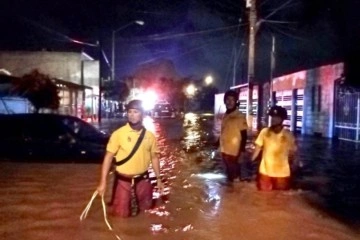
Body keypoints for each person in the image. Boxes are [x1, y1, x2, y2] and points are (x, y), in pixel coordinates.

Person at [96, 99, 164, 217]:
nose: (132, 115)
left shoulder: (150, 136)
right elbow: (108, 158)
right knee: (120, 215)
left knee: (146, 213)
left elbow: (154, 158)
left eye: (136, 112)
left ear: (142, 114)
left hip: (143, 180)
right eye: (130, 112)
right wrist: (103, 182)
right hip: (123, 181)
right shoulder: (118, 134)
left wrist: (159, 179)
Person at [251, 105, 297, 191]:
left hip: (282, 174)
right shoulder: (264, 132)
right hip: (265, 172)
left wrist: (295, 165)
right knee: (263, 199)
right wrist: (250, 161)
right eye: (272, 117)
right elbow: (257, 150)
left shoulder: (288, 135)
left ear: (282, 119)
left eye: (277, 117)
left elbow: (293, 153)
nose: (273, 119)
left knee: (280, 199)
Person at [219, 90, 248, 186]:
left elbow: (244, 135)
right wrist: (216, 144)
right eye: (227, 99)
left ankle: (237, 197)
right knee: (229, 177)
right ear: (224, 101)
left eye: (232, 100)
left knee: (236, 180)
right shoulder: (225, 115)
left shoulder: (240, 116)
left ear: (236, 101)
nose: (230, 102)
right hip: (225, 152)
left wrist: (242, 153)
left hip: (234, 154)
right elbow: (225, 132)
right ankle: (230, 197)